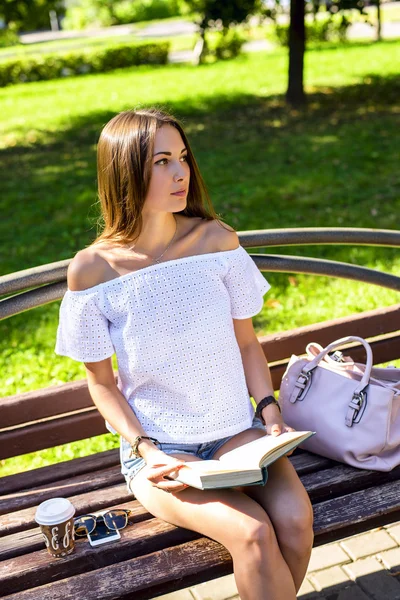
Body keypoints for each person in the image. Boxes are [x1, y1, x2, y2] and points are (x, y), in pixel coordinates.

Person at [55, 107, 313, 600]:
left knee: (297, 522)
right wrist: (147, 451)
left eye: (183, 158)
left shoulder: (216, 240)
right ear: (125, 172)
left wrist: (270, 410)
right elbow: (102, 384)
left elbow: (246, 343)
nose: (181, 173)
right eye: (161, 162)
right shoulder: (92, 272)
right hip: (163, 453)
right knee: (254, 535)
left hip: (239, 435)